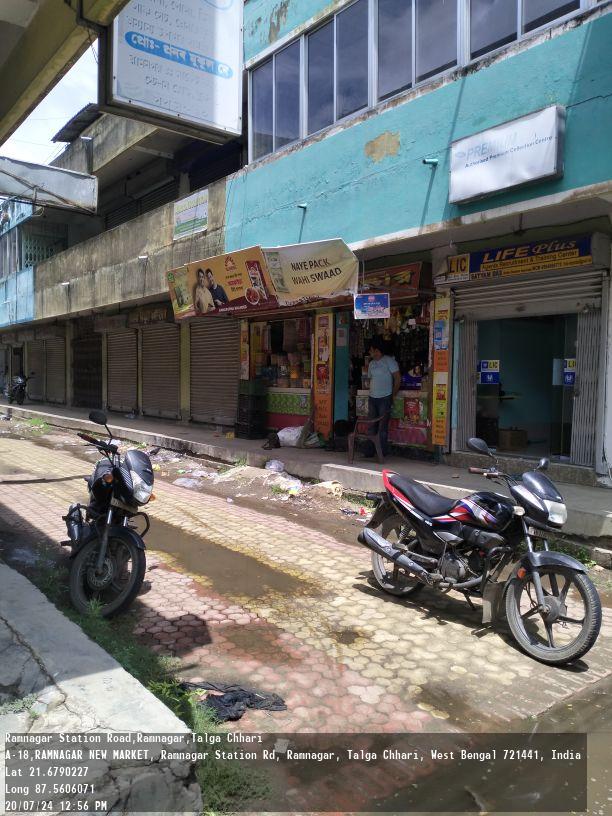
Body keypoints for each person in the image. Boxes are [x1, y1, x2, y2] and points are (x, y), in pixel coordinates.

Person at [367, 337, 400, 455]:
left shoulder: (389, 361)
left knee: (382, 426)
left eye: (373, 351)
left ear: (379, 350)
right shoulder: (371, 363)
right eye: (371, 351)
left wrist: (393, 395)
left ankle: (381, 452)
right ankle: (370, 451)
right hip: (372, 398)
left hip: (385, 398)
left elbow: (397, 378)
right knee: (371, 425)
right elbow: (370, 379)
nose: (372, 353)